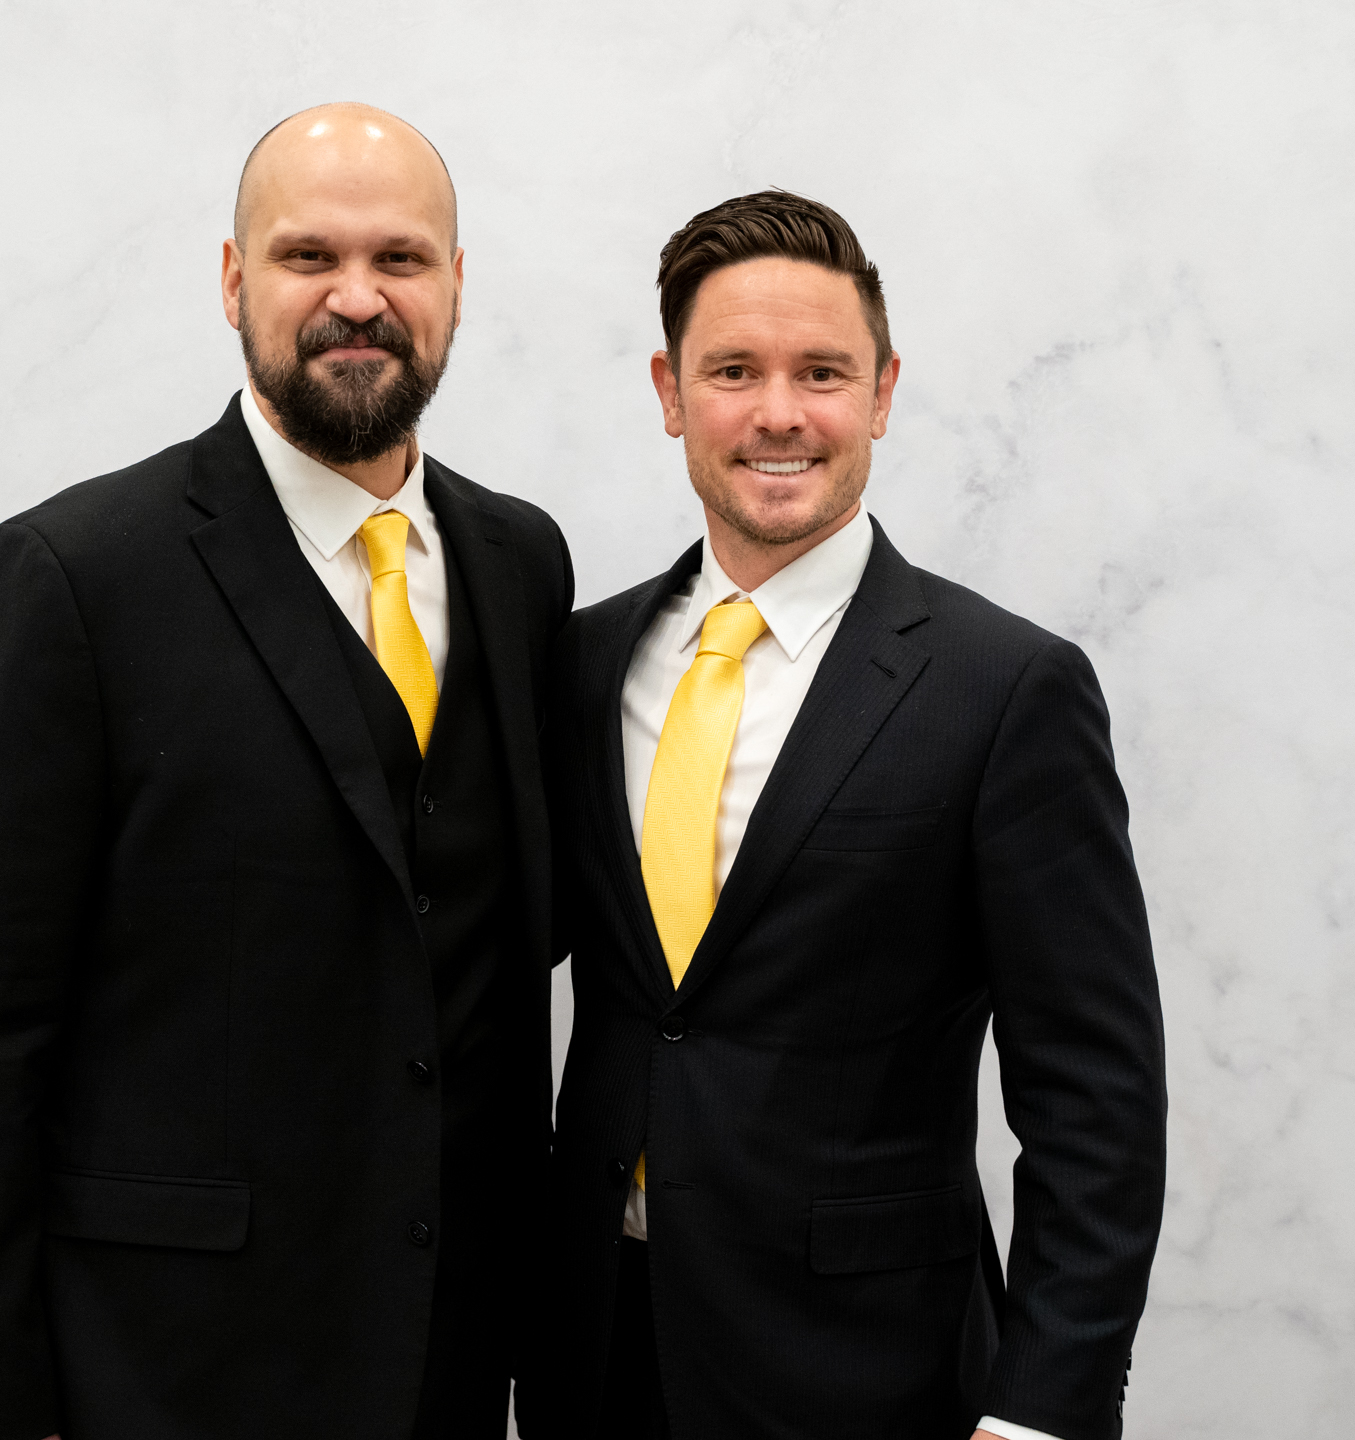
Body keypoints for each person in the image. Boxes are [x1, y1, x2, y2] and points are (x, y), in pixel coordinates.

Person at [0, 102, 572, 1440]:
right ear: (235, 282)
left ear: (457, 285)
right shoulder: (68, 580)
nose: (357, 297)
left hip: (451, 1371)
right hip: (154, 1377)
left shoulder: (522, 565)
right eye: (308, 256)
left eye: (401, 258)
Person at [526, 191, 1166, 1440]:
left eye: (822, 372)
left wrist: (1043, 1411)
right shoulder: (581, 662)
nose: (779, 413)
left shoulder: (1005, 689)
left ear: (881, 393)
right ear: (670, 392)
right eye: (733, 371)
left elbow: (1096, 1095)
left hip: (872, 1371)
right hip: (594, 1357)